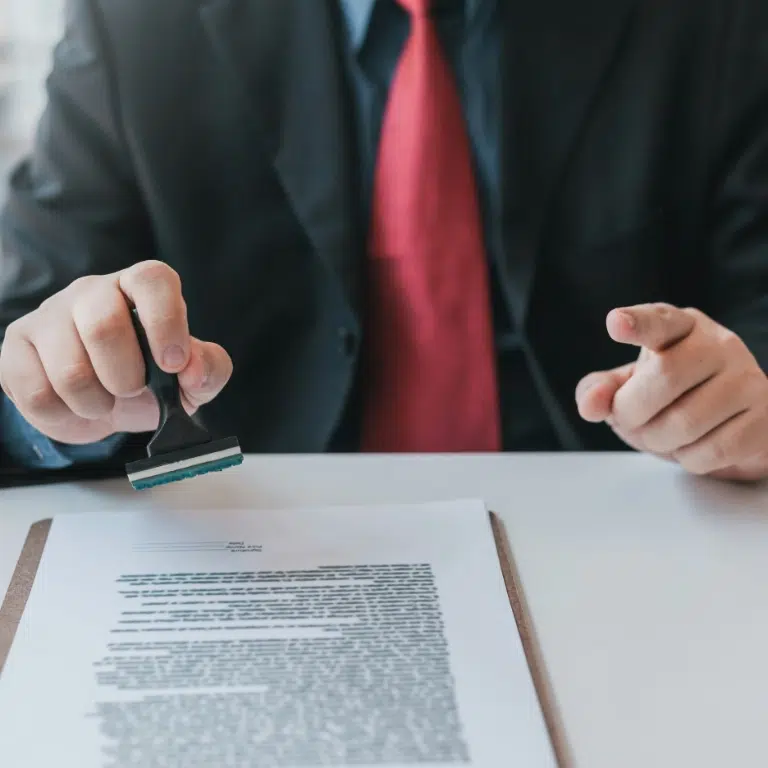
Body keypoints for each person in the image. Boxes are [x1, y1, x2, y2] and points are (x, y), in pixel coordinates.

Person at [1, 0, 768, 484]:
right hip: (253, 539)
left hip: (622, 532)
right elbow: (27, 330)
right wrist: (54, 398)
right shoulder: (134, 19)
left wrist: (744, 412)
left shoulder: (713, 21)